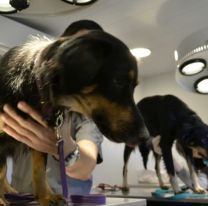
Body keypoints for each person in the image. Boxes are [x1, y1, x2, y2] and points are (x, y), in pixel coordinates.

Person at [0, 20, 104, 195]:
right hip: (22, 199)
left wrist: (61, 147)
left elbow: (84, 168)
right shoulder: (24, 97)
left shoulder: (88, 111)